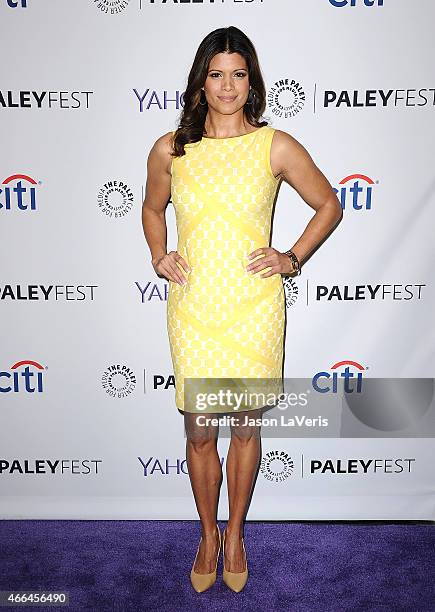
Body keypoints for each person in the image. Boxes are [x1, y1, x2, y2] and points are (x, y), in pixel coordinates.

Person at [142, 25, 342, 593]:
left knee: (244, 429)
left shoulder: (274, 144)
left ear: (250, 80)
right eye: (215, 73)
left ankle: (237, 530)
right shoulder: (172, 149)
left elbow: (329, 203)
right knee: (201, 429)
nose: (227, 85)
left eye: (237, 73)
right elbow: (152, 210)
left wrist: (291, 257)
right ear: (200, 81)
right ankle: (207, 535)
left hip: (253, 307)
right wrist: (160, 254)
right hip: (196, 308)